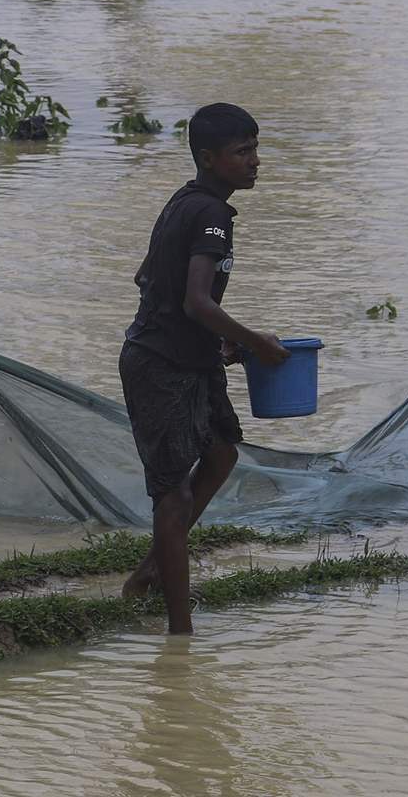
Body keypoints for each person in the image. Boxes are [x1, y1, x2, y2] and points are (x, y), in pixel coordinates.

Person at [118, 103, 290, 634]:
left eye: (256, 148)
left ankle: (152, 569)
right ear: (209, 159)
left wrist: (217, 346)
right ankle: (179, 631)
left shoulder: (188, 203)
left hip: (188, 358)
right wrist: (255, 343)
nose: (255, 161)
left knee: (220, 454)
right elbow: (195, 300)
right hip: (159, 365)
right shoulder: (209, 213)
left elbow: (147, 278)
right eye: (243, 152)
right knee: (173, 497)